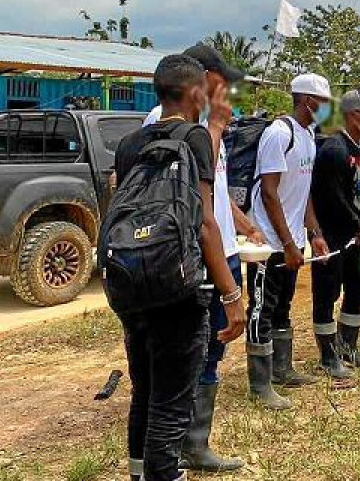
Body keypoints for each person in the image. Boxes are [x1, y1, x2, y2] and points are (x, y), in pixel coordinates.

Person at [112, 55, 247, 481]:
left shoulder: (130, 143)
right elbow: (205, 223)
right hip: (177, 284)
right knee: (171, 404)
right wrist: (232, 294)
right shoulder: (195, 139)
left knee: (145, 394)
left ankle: (139, 474)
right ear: (195, 93)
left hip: (132, 283)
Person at [246, 73, 331, 409]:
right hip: (269, 242)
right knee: (262, 309)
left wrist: (314, 234)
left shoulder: (308, 135)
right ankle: (260, 383)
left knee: (282, 306)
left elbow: (303, 192)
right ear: (306, 100)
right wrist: (286, 242)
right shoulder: (278, 134)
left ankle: (282, 369)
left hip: (293, 238)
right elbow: (269, 193)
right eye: (322, 103)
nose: (324, 108)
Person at [310, 90, 360, 380]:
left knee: (358, 285)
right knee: (326, 293)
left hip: (354, 232)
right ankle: (327, 355)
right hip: (333, 233)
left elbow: (358, 190)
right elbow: (332, 197)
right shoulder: (334, 149)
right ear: (352, 115)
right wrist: (356, 223)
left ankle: (347, 345)